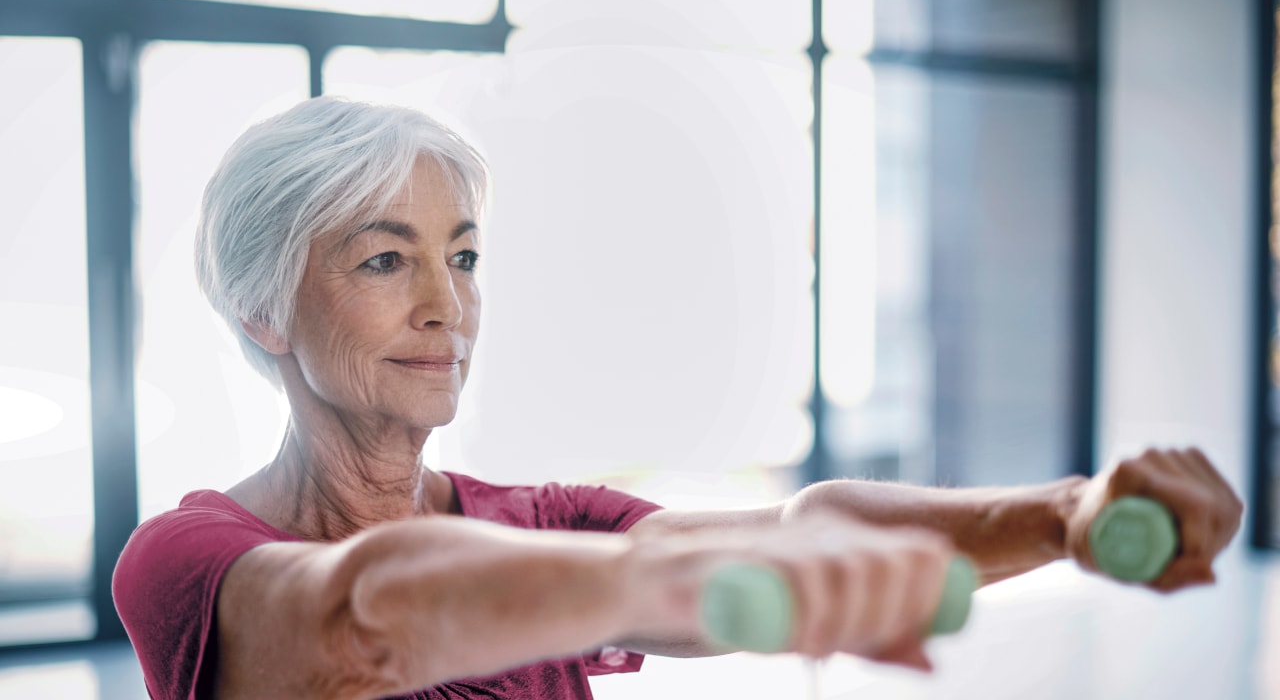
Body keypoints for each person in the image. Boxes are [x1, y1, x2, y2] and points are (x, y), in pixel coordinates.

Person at [112, 97, 1243, 700]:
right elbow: (358, 622)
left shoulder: (541, 523)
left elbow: (798, 533)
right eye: (381, 261)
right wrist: (650, 578)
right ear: (263, 313)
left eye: (460, 257)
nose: (445, 307)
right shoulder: (187, 556)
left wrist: (1061, 515)